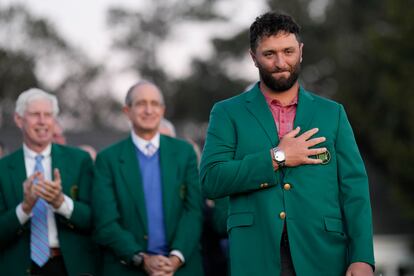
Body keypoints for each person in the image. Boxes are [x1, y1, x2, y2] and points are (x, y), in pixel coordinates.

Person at [200, 11, 375, 276]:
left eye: (288, 51)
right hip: (255, 255)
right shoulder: (226, 113)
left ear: (301, 51)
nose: (281, 62)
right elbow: (211, 180)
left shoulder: (333, 113)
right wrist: (277, 157)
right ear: (253, 57)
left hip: (323, 253)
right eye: (269, 54)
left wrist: (362, 257)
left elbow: (354, 190)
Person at [93, 81, 203, 276]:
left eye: (154, 104)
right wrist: (141, 259)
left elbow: (193, 211)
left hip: (180, 268)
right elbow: (106, 222)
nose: (148, 110)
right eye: (141, 103)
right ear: (127, 111)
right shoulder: (107, 159)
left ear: (162, 110)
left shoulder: (184, 153)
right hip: (127, 268)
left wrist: (176, 258)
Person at [0, 88, 97, 276]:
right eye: (35, 114)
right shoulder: (3, 169)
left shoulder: (80, 161)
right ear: (19, 120)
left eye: (48, 115)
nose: (43, 121)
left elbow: (95, 219)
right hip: (20, 266)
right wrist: (25, 208)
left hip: (68, 266)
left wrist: (61, 203)